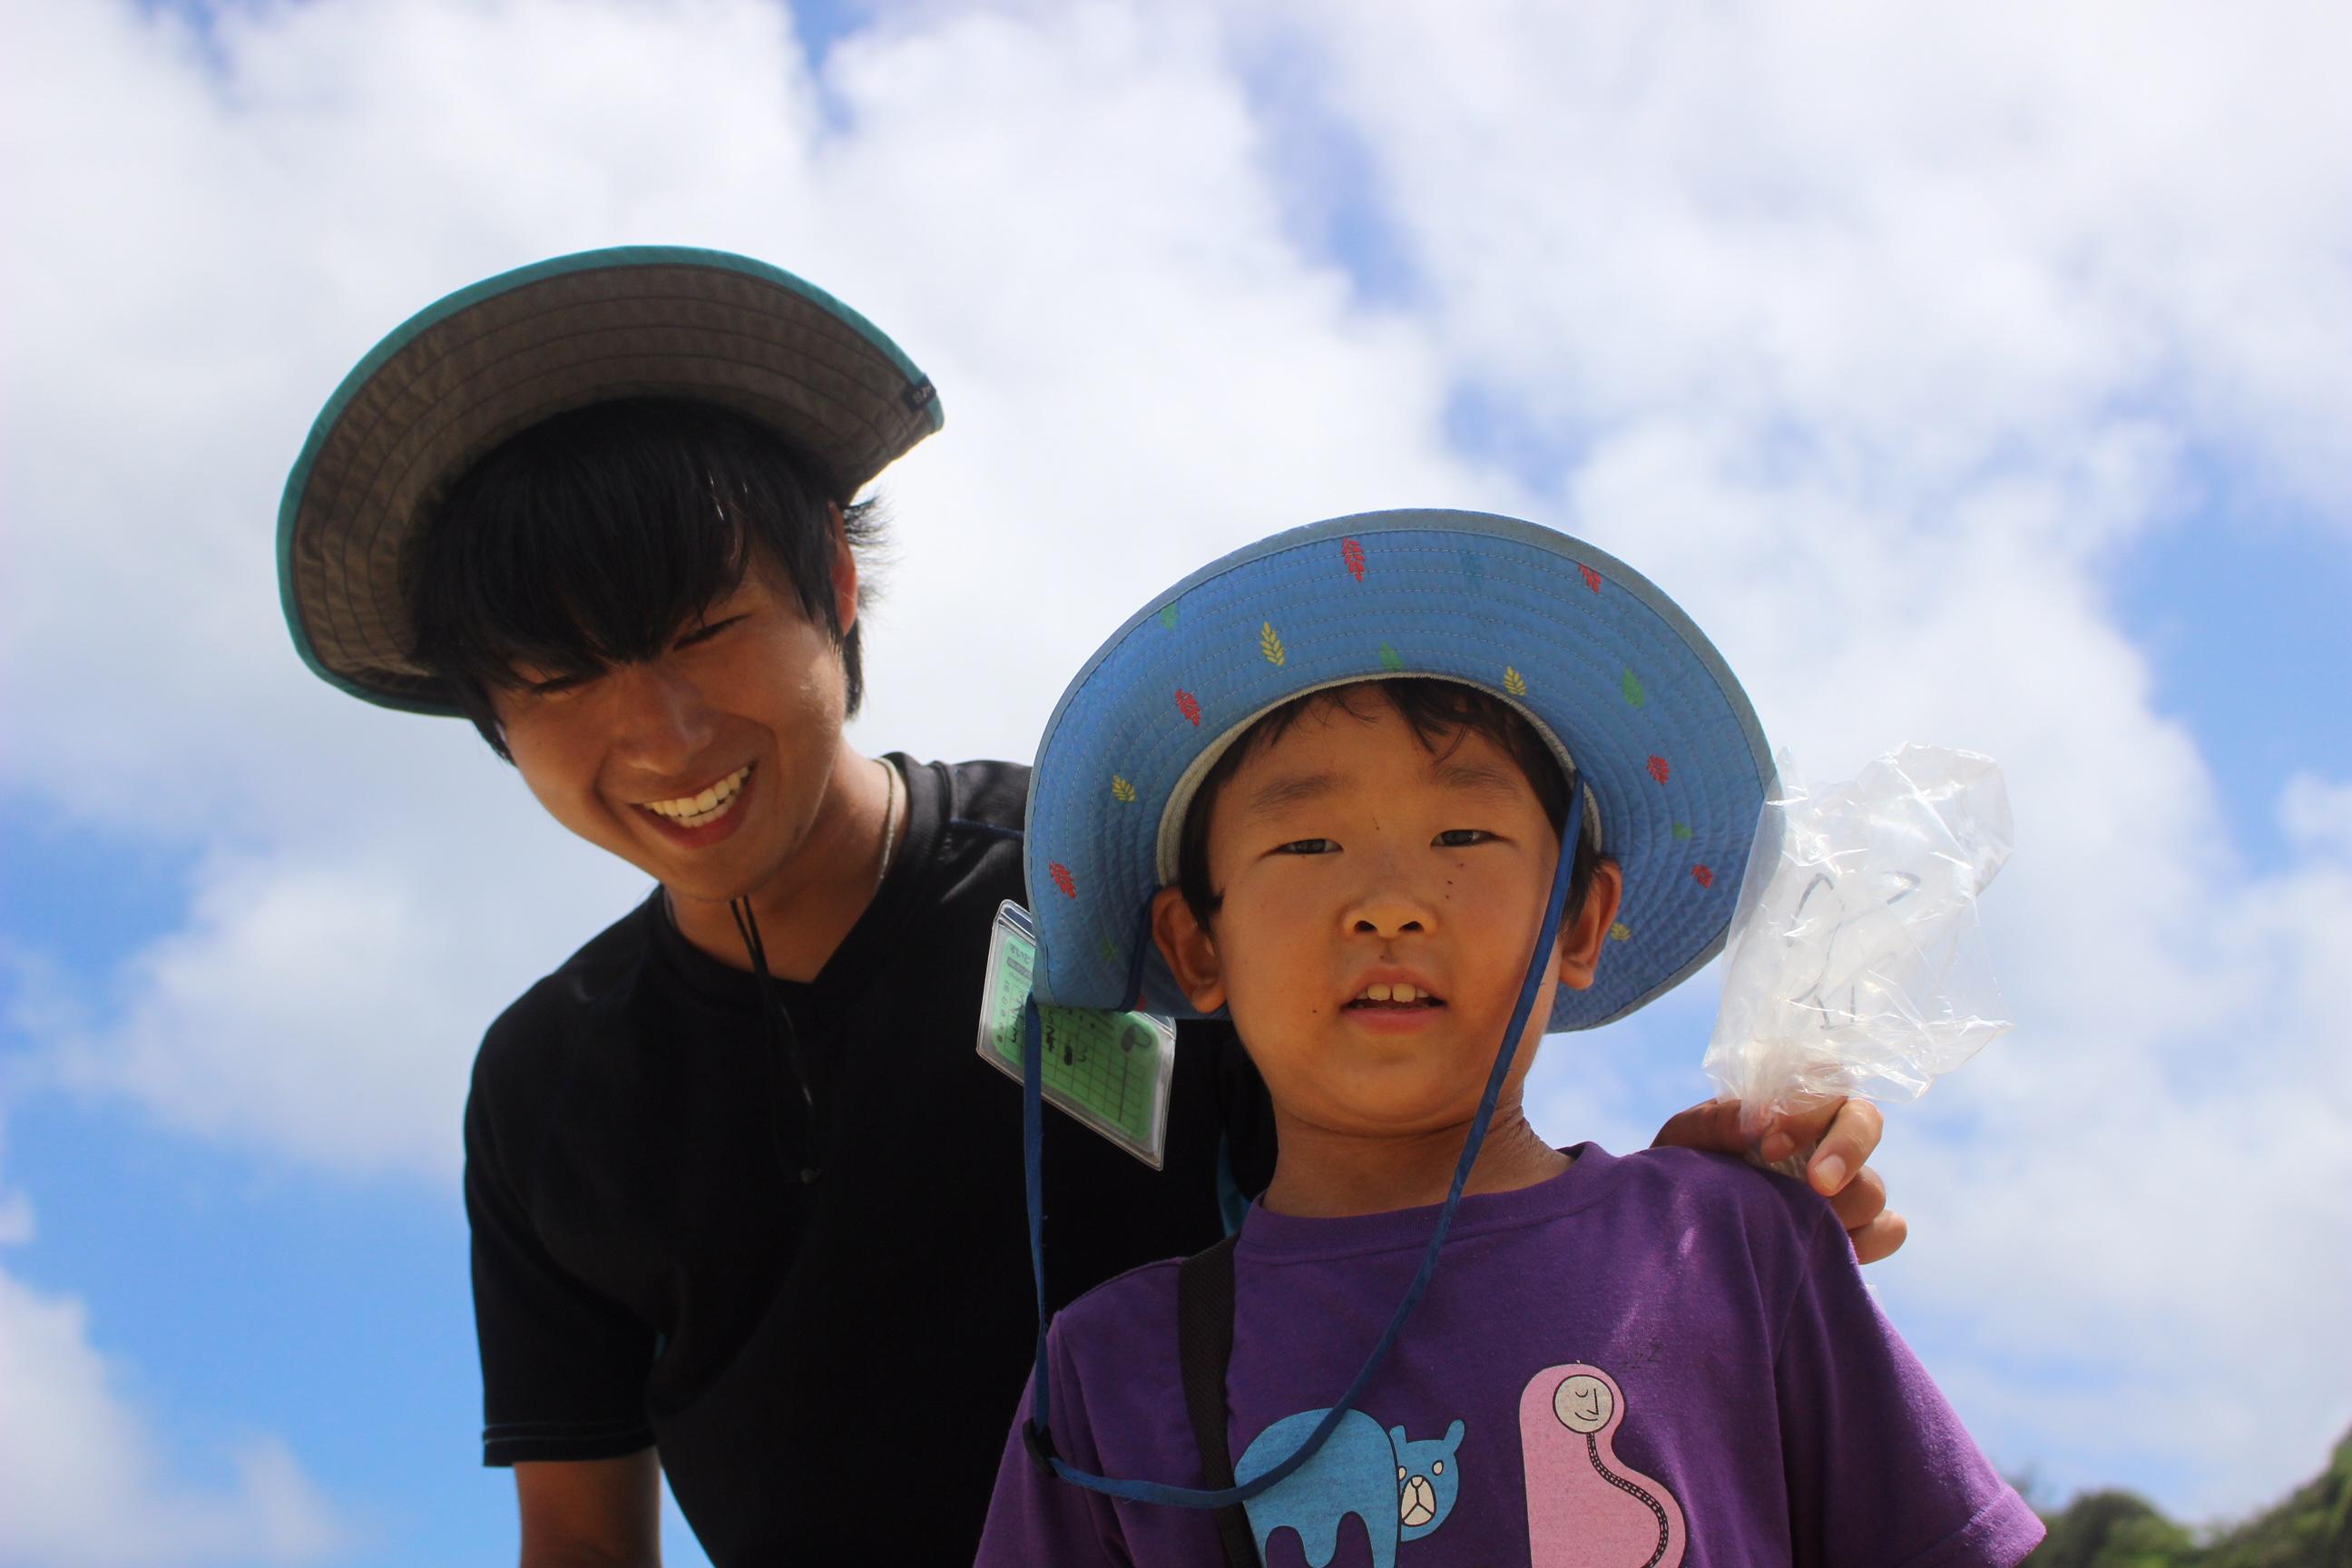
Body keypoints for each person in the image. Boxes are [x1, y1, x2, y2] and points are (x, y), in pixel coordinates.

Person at [278, 248, 1906, 1566]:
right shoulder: (550, 1086)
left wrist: (1685, 1232)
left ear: (837, 590)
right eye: (562, 676)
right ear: (492, 717)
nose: (663, 734)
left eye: (704, 628)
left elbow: (1423, 1166)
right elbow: (577, 1530)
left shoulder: (1108, 899)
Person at [977, 510, 2042, 1565]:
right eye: (1307, 841)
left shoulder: (1734, 1247)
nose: (1389, 904)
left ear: (1580, 920)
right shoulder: (1110, 1372)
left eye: (1463, 835)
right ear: (1197, 943)